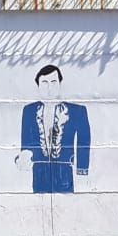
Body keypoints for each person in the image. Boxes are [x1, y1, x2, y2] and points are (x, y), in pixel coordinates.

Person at [16, 64, 91, 193]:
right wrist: (22, 159)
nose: (49, 88)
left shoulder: (77, 111)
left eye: (53, 82)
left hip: (65, 170)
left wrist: (82, 170)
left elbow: (84, 140)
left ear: (60, 84)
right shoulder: (29, 111)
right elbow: (26, 144)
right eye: (44, 83)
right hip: (38, 171)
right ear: (38, 86)